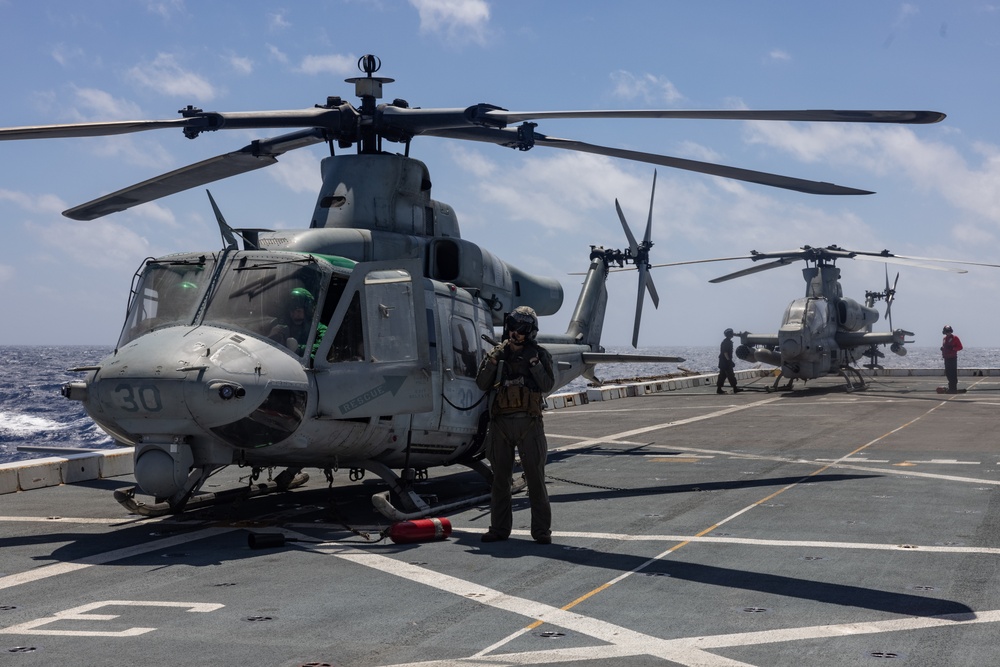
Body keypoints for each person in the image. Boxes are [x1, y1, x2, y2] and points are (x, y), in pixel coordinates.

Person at [475, 306, 555, 545]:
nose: (514, 332)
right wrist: (492, 361)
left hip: (529, 424)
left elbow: (547, 384)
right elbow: (481, 383)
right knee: (500, 480)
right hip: (500, 424)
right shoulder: (498, 355)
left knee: (536, 479)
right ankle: (499, 529)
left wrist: (534, 364)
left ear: (529, 332)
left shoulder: (539, 355)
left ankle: (541, 532)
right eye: (512, 326)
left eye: (521, 328)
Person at [270, 287, 327, 358]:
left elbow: (323, 348)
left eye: (298, 311)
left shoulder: (321, 329)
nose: (294, 315)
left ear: (307, 311)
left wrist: (299, 349)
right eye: (291, 311)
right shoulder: (284, 328)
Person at [716, 328, 741, 394]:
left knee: (722, 375)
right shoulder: (727, 342)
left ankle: (719, 389)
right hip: (725, 362)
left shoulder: (725, 341)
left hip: (723, 361)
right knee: (730, 375)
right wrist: (729, 361)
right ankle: (735, 388)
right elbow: (725, 352)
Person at [941, 325, 964, 393]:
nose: (948, 333)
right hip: (946, 358)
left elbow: (960, 347)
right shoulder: (944, 338)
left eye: (949, 331)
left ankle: (953, 388)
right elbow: (944, 346)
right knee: (948, 373)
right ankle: (951, 387)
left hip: (952, 358)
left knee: (953, 373)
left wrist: (953, 348)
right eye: (946, 331)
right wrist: (942, 349)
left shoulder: (955, 338)